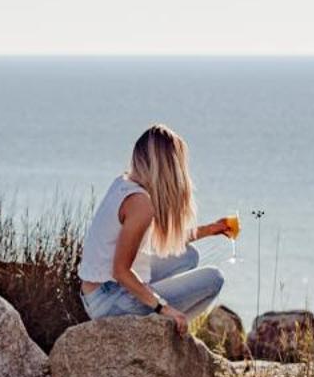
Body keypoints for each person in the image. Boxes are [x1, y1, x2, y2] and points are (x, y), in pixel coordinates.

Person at [77, 124, 237, 334]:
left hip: (96, 293)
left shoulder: (124, 183)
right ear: (167, 166)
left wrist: (210, 229)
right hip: (110, 301)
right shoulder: (140, 204)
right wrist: (163, 307)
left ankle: (166, 324)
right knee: (214, 278)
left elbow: (156, 242)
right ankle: (167, 331)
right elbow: (121, 271)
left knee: (188, 256)